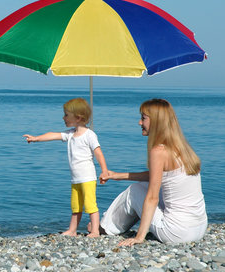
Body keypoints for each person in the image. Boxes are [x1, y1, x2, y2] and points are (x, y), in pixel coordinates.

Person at [99, 98, 207, 246]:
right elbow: (157, 176)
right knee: (142, 186)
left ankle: (104, 229)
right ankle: (108, 225)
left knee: (135, 190)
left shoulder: (159, 151)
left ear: (156, 121)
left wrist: (139, 237)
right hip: (199, 228)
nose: (139, 123)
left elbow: (152, 198)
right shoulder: (181, 147)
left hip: (177, 232)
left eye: (143, 118)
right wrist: (116, 176)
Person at [23, 98, 109, 237]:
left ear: (78, 117)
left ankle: (94, 231)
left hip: (87, 177)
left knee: (90, 205)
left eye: (66, 115)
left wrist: (104, 171)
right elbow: (53, 134)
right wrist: (36, 138)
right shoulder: (70, 134)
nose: (63, 117)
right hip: (75, 179)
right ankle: (72, 230)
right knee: (76, 206)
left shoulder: (89, 135)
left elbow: (98, 152)